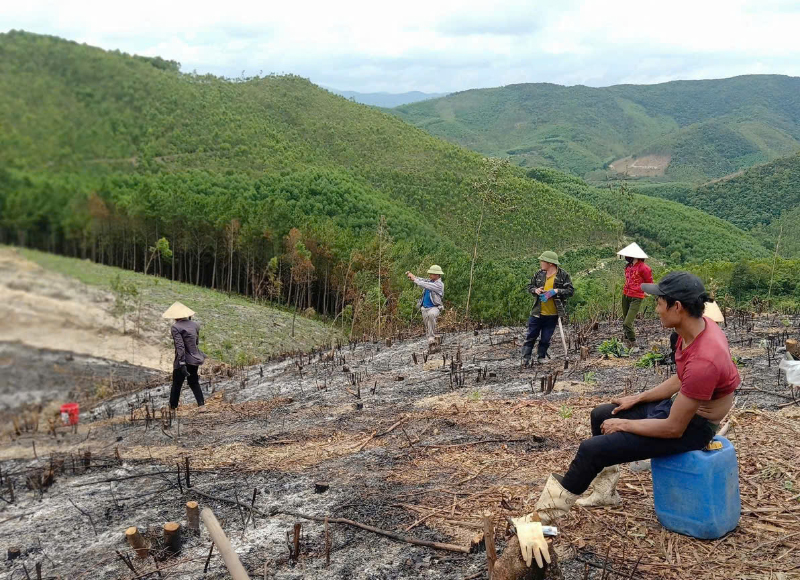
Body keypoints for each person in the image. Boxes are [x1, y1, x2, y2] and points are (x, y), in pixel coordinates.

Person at [529, 271, 740, 525]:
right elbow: (681, 378)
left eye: (659, 303)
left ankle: (541, 520)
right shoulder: (692, 330)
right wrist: (639, 398)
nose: (656, 310)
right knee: (602, 414)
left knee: (591, 450)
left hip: (693, 428)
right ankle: (605, 493)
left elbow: (674, 428)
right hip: (681, 408)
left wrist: (625, 424)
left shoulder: (705, 359)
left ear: (677, 307)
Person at [521, 251, 574, 366]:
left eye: (542, 261)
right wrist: (536, 290)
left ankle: (541, 356)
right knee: (531, 336)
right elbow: (529, 286)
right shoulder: (539, 274)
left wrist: (556, 291)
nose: (541, 263)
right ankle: (525, 358)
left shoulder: (563, 275)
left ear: (550, 263)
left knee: (546, 338)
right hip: (537, 312)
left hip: (553, 314)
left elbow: (570, 291)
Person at [162, 301, 206, 410]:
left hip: (183, 360)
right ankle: (201, 405)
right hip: (195, 358)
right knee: (193, 382)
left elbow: (180, 346)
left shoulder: (176, 327)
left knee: (177, 384)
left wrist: (181, 362)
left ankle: (172, 408)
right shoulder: (195, 325)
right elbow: (196, 342)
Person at [617, 242, 653, 354]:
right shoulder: (628, 266)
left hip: (636, 296)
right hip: (626, 295)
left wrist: (646, 291)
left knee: (627, 323)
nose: (626, 257)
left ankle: (634, 344)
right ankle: (626, 343)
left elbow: (649, 281)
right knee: (625, 320)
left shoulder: (644, 268)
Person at [406, 265, 444, 350]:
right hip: (424, 307)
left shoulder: (439, 285)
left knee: (431, 315)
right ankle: (430, 339)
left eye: (431, 274)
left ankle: (431, 337)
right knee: (427, 324)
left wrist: (414, 279)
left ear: (437, 275)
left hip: (435, 307)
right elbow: (422, 280)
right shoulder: (430, 281)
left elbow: (425, 285)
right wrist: (413, 276)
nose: (429, 275)